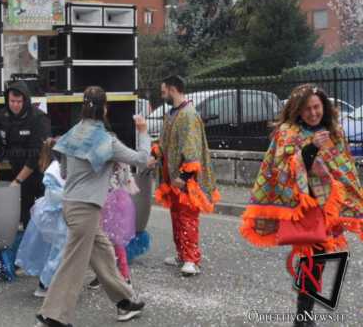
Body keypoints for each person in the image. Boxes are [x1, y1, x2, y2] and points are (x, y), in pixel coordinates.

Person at [240, 84, 363, 327]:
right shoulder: (288, 132)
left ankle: (303, 315)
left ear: (324, 107)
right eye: (307, 109)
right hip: (304, 208)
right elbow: (282, 168)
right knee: (311, 258)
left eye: (316, 107)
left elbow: (344, 165)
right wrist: (311, 148)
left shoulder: (333, 131)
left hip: (328, 208)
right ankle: (303, 317)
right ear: (297, 110)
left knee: (316, 260)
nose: (313, 113)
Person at [36, 86, 155, 327]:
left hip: (71, 205)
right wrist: (143, 132)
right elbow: (142, 159)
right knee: (74, 262)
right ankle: (53, 316)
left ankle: (125, 302)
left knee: (103, 254)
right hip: (87, 209)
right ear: (105, 108)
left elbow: (65, 171)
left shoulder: (71, 133)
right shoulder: (107, 141)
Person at [152, 75, 219, 276]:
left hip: (186, 180)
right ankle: (182, 254)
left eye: (163, 91)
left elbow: (192, 148)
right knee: (177, 217)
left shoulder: (188, 115)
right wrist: (153, 155)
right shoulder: (173, 113)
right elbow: (164, 141)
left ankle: (191, 259)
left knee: (188, 218)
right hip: (173, 179)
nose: (161, 95)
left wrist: (185, 175)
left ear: (172, 89)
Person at [0, 80, 51, 229]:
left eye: (19, 102)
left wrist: (18, 181)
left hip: (39, 174)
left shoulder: (38, 118)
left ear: (25, 100)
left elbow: (36, 155)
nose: (15, 105)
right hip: (17, 171)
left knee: (43, 216)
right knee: (25, 215)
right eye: (12, 101)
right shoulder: (2, 117)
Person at [15, 137, 67, 298]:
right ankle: (45, 284)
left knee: (56, 250)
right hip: (57, 215)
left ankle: (51, 282)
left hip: (56, 213)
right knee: (57, 251)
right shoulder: (55, 169)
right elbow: (55, 196)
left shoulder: (56, 167)